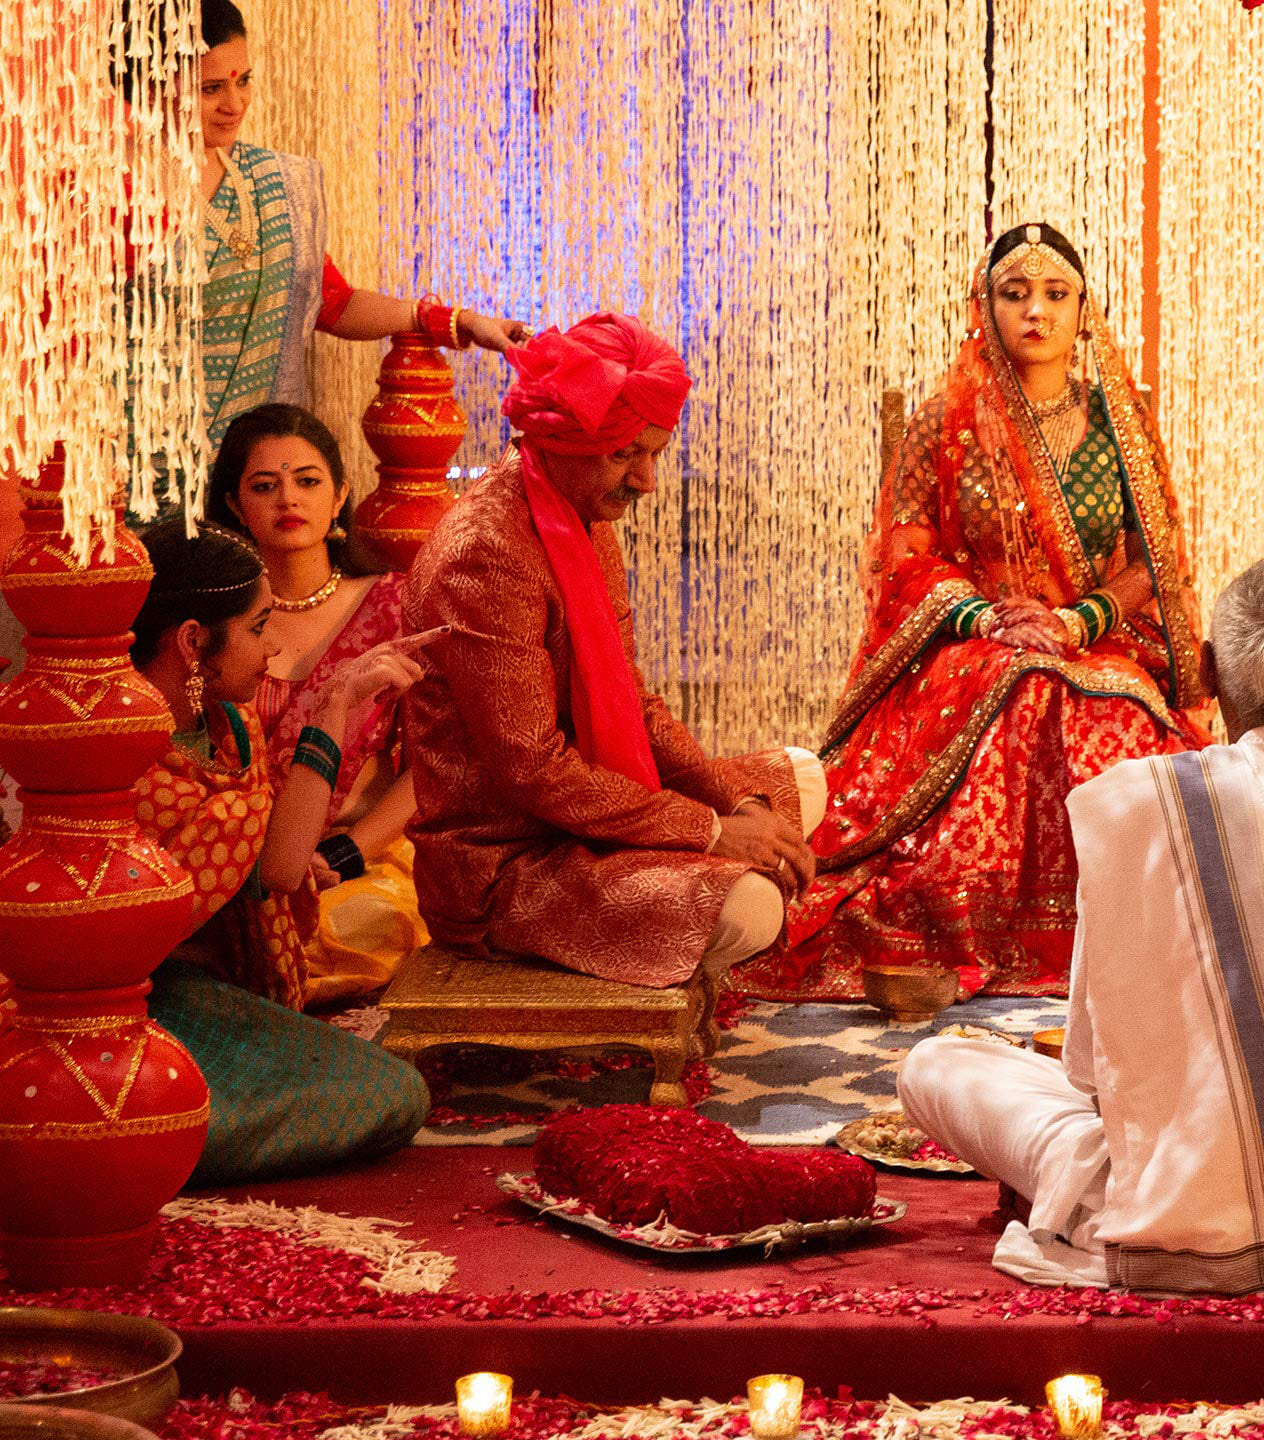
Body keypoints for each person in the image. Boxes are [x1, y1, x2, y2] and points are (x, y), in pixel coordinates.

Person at [899, 556, 1264, 1291]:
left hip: (1202, 1222)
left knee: (937, 1067)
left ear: (1206, 670)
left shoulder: (1138, 804)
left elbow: (1089, 1072)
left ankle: (1131, 1198)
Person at [733, 225, 1207, 1003]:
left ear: (1084, 313)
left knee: (1112, 719)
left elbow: (1153, 561)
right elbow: (905, 557)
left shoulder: (1120, 425)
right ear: (985, 309)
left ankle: (1118, 930)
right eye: (1015, 294)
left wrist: (1078, 620)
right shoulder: (941, 422)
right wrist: (988, 620)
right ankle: (963, 923)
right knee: (1025, 690)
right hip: (976, 641)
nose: (1036, 311)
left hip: (1097, 640)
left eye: (1055, 295)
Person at [403, 312, 822, 987]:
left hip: (586, 817)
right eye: (627, 453)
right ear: (561, 438)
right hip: (511, 861)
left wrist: (737, 806)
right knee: (751, 908)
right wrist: (710, 831)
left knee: (801, 778)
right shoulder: (486, 553)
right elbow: (533, 770)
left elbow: (633, 703)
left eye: (655, 453)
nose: (647, 480)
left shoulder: (576, 516)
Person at [128, 521, 431, 1182]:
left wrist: (336, 703)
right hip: (127, 1001)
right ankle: (114, 1147)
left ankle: (140, 1141)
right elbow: (281, 864)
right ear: (192, 642)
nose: (273, 648)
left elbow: (275, 861)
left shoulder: (230, 725)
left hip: (209, 987)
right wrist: (333, 706)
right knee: (381, 1097)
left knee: (392, 1092)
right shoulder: (122, 745)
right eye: (259, 627)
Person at [193, 0, 527, 445]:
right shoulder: (121, 198)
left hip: (258, 464)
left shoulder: (274, 182)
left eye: (244, 81)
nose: (235, 104)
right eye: (211, 88)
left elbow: (334, 303)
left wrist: (460, 321)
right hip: (139, 461)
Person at [202, 402, 422, 1004]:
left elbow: (434, 766)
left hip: (360, 857)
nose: (288, 500)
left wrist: (345, 853)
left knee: (357, 925)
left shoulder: (394, 607)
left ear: (340, 495)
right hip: (234, 860)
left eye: (307, 481)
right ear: (234, 506)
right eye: (264, 486)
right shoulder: (214, 624)